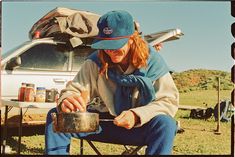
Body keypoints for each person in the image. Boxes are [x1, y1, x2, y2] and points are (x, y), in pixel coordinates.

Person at [45, 10, 179, 155]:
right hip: (103, 124)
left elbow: (168, 101)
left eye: (116, 44)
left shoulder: (153, 62)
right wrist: (67, 100)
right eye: (105, 44)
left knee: (166, 124)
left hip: (140, 125)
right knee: (55, 116)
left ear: (132, 39)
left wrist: (136, 115)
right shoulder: (96, 61)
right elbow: (75, 89)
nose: (109, 50)